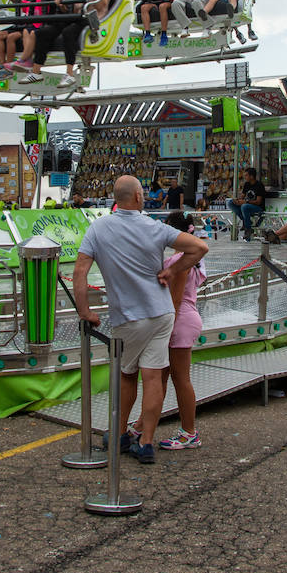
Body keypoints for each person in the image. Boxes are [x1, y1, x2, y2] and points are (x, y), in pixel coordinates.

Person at [72, 175, 209, 464]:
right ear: (136, 197)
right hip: (161, 315)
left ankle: (121, 433)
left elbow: (80, 272)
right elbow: (199, 248)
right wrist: (172, 271)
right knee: (153, 378)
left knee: (126, 376)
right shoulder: (155, 228)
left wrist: (85, 311)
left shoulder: (97, 229)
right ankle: (146, 442)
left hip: (126, 317)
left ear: (114, 198)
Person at [129, 210, 206, 451]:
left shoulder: (181, 261)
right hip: (182, 319)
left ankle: (189, 432)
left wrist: (163, 327)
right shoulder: (188, 259)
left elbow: (174, 299)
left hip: (178, 320)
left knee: (179, 378)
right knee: (160, 378)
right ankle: (142, 426)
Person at [228, 167, 265, 240]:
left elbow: (258, 202)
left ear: (251, 176)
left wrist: (245, 202)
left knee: (244, 207)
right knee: (230, 203)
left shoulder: (259, 185)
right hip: (246, 205)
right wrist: (237, 200)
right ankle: (245, 221)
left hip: (257, 208)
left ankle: (248, 229)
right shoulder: (247, 184)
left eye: (246, 175)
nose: (245, 177)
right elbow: (243, 196)